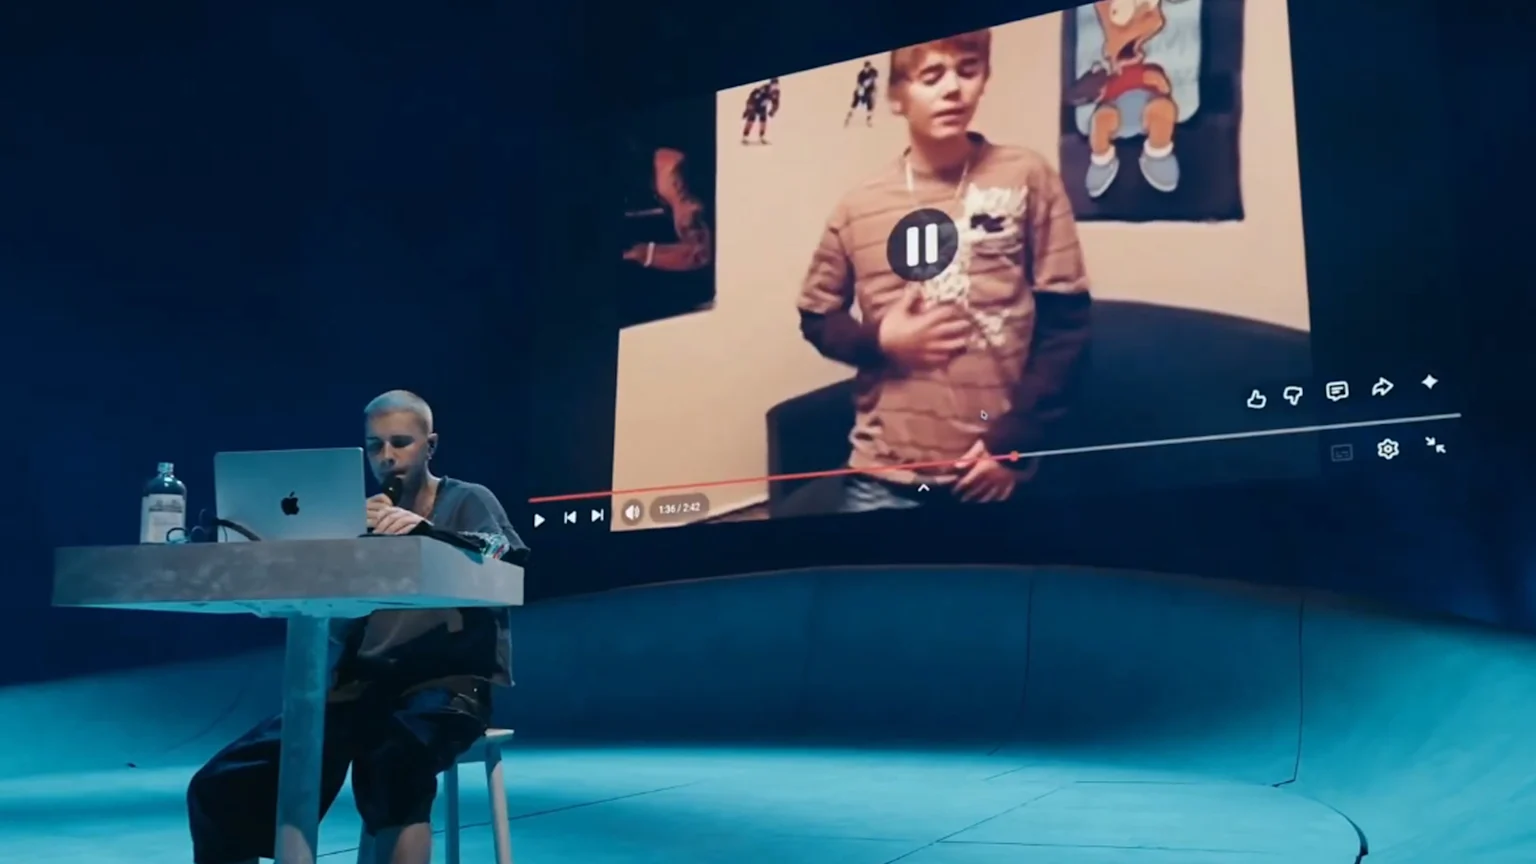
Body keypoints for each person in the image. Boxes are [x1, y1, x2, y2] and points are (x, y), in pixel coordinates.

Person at [186, 390, 527, 864]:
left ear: (430, 445)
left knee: (394, 758)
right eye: (374, 446)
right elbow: (336, 620)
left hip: (446, 686)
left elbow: (504, 552)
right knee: (221, 782)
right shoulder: (350, 517)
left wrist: (422, 530)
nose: (386, 458)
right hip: (360, 688)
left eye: (400, 443)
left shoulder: (466, 499)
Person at [795, 29, 1092, 513]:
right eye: (931, 75)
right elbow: (816, 316)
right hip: (882, 480)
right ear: (896, 96)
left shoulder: (1027, 177)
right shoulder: (858, 205)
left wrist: (1014, 444)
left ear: (984, 78)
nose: (952, 88)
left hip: (993, 477)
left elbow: (1067, 325)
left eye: (967, 70)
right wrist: (881, 341)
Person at [740, 77, 781, 144]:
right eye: (773, 85)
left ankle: (762, 137)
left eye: (776, 85)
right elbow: (752, 98)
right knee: (751, 120)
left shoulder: (776, 92)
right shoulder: (763, 89)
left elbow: (776, 102)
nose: (775, 87)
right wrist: (748, 109)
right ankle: (745, 137)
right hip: (754, 105)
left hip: (762, 106)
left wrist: (773, 110)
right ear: (770, 85)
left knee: (763, 121)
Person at [844, 60, 879, 127]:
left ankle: (869, 120)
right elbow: (859, 85)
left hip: (870, 90)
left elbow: (876, 77)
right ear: (864, 67)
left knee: (870, 104)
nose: (867, 69)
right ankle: (849, 117)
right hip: (862, 89)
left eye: (868, 68)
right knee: (855, 102)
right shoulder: (861, 74)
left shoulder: (873, 71)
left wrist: (875, 88)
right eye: (866, 68)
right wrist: (860, 91)